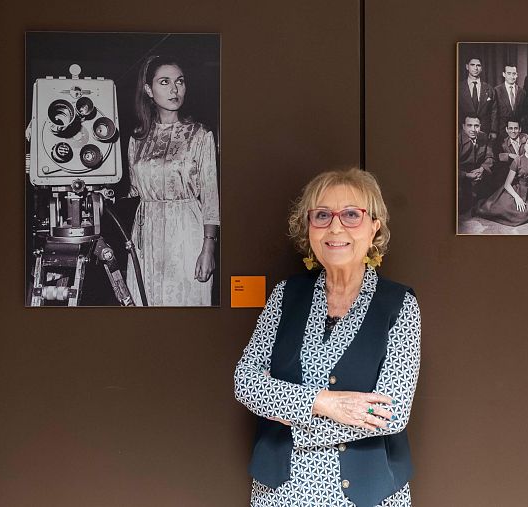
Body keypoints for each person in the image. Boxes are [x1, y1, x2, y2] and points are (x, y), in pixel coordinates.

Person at [234, 168, 421, 507]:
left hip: (368, 494)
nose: (336, 227)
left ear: (374, 226)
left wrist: (289, 418)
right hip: (282, 493)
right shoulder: (284, 296)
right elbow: (246, 382)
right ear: (309, 229)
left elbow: (391, 413)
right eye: (322, 215)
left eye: (351, 215)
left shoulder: (399, 305)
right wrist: (324, 403)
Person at [125, 55, 220, 306]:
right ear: (148, 89)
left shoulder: (200, 135)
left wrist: (209, 248)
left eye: (179, 81)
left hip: (187, 233)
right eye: (164, 82)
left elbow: (210, 196)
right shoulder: (137, 139)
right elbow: (134, 192)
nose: (175, 89)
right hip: (146, 236)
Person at [474, 135, 528, 226]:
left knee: (522, 214)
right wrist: (517, 198)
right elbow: (507, 184)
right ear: (525, 145)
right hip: (516, 191)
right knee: (500, 208)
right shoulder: (518, 160)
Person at [458, 116, 496, 214]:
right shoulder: (457, 139)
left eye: (476, 126)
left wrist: (482, 169)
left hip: (480, 175)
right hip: (461, 178)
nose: (473, 129)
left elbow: (490, 157)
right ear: (463, 126)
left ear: (480, 126)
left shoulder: (483, 136)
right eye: (469, 125)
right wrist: (466, 175)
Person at [494, 119, 528, 189]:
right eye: (510, 128)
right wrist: (509, 155)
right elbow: (497, 156)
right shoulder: (503, 143)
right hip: (514, 174)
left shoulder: (526, 138)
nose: (513, 131)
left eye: (516, 128)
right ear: (506, 129)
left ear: (520, 129)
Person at [460, 57, 498, 139]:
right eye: (472, 65)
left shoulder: (489, 88)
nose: (475, 68)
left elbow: (494, 111)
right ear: (467, 67)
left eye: (478, 65)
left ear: (481, 68)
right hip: (463, 132)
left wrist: (493, 130)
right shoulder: (459, 87)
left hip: (485, 132)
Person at [494, 64, 524, 136]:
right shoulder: (496, 91)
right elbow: (494, 113)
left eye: (514, 74)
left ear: (517, 75)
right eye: (509, 73)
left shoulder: (522, 92)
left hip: (517, 131)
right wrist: (494, 131)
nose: (512, 76)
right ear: (504, 74)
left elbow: (523, 113)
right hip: (502, 131)